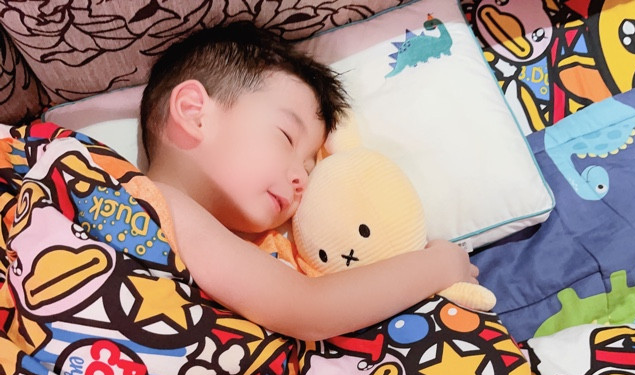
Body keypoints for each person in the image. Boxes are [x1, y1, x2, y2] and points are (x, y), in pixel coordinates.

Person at [141, 22, 480, 341]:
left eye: (308, 166)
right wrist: (440, 265)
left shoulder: (221, 239)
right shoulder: (154, 204)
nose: (302, 179)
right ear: (193, 112)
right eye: (286, 137)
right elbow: (309, 308)